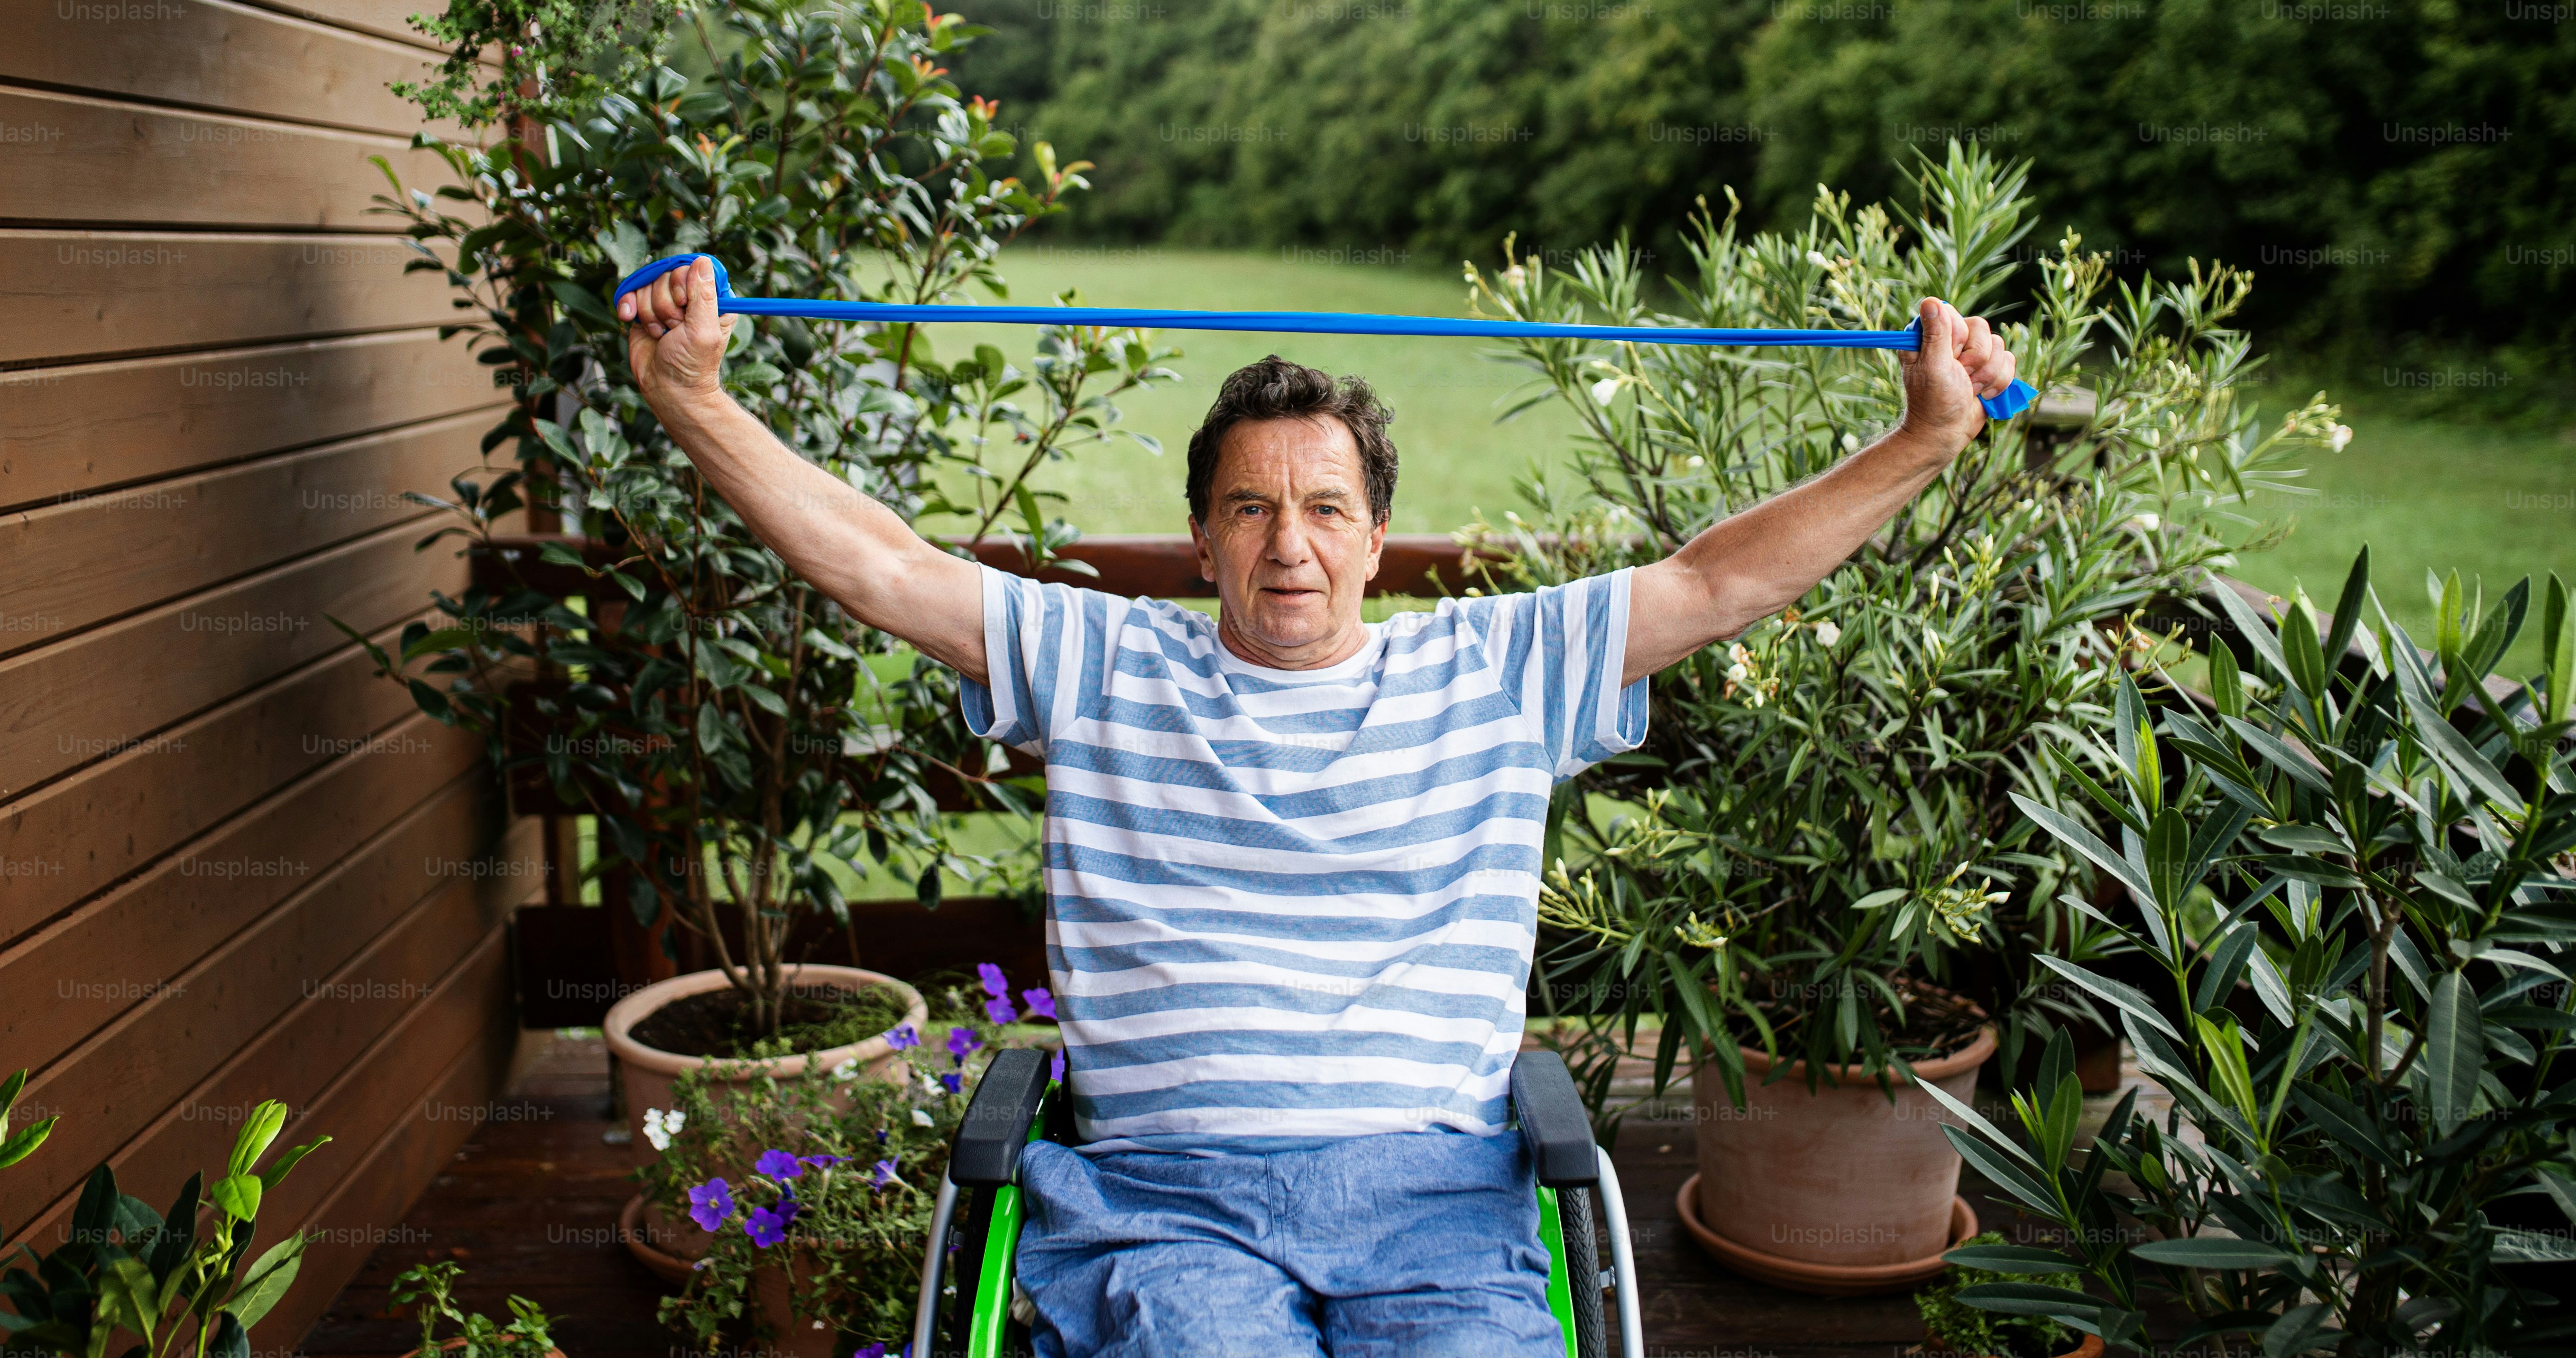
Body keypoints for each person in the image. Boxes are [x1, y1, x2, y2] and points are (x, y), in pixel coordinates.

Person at [618, 257, 2018, 1358]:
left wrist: (1925, 438)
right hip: (1167, 1210)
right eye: (1250, 509)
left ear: (1376, 534)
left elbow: (1720, 583)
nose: (1290, 545)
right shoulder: (1102, 663)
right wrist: (694, 400)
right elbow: (882, 567)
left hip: (1438, 1208)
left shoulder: (1499, 668)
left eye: (1327, 509)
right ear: (1200, 537)